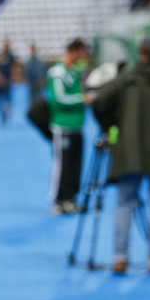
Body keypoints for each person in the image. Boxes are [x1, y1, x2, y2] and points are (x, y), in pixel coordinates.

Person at [93, 34, 150, 274]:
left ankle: (120, 257)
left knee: (124, 202)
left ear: (142, 54)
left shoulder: (128, 78)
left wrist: (112, 124)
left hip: (129, 150)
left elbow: (100, 100)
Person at [47, 38, 90, 215]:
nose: (84, 56)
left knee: (75, 164)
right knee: (62, 164)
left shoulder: (74, 71)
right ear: (75, 51)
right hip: (63, 125)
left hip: (77, 126)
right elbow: (58, 98)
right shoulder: (58, 72)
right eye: (83, 52)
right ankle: (58, 200)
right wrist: (82, 100)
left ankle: (71, 198)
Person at [0, 40, 15, 125]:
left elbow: (14, 68)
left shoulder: (11, 56)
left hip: (7, 81)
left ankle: (6, 117)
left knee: (7, 100)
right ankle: (0, 115)